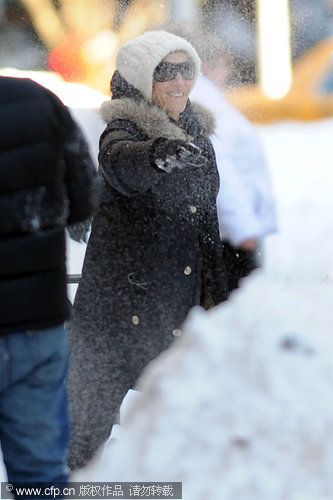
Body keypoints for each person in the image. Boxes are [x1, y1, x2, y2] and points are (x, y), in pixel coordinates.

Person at [67, 29, 229, 470]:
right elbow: (123, 162)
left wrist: (222, 297)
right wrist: (158, 154)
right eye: (165, 72)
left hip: (176, 306)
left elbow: (206, 226)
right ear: (142, 78)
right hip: (118, 314)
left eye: (186, 71)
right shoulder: (122, 131)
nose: (179, 82)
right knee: (83, 442)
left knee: (190, 433)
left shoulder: (198, 136)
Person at [0, 76, 100, 492]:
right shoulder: (38, 101)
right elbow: (82, 200)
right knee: (40, 475)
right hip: (36, 325)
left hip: (36, 322)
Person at [188, 30, 278, 291]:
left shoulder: (205, 99)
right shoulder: (206, 102)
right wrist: (243, 230)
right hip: (230, 235)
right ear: (206, 65)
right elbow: (219, 170)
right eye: (224, 66)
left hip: (227, 232)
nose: (226, 74)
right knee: (234, 311)